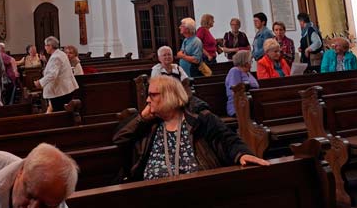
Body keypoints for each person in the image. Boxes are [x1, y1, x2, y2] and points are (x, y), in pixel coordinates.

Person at [114, 75, 268, 181]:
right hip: (152, 194)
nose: (147, 100)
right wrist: (141, 117)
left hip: (196, 189)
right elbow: (120, 138)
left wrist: (242, 154)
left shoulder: (200, 118)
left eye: (153, 95)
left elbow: (227, 138)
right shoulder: (149, 124)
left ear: (170, 96)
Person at [35, 36, 78, 112]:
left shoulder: (56, 57)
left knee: (58, 113)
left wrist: (40, 82)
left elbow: (52, 74)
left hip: (60, 91)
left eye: (45, 45)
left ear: (50, 46)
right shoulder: (61, 53)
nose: (45, 48)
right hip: (65, 89)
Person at [224, 50, 258, 116]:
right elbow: (235, 89)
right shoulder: (235, 71)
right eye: (250, 61)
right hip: (239, 106)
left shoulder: (248, 73)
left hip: (251, 102)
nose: (251, 63)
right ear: (245, 61)